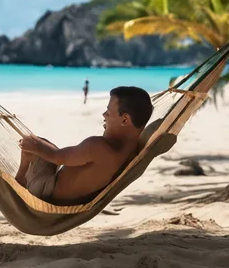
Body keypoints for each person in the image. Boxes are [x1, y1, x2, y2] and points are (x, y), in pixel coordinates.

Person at [15, 86, 153, 204]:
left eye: (109, 112)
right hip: (68, 197)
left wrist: (34, 144)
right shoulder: (130, 148)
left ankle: (18, 184)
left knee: (33, 143)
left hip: (46, 192)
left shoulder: (97, 146)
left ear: (124, 119)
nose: (104, 114)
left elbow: (57, 157)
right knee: (45, 144)